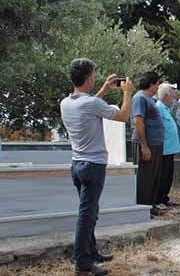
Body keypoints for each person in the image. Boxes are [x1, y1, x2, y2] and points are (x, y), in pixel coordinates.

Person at [60, 58, 133, 276]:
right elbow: (122, 115)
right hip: (93, 166)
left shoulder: (66, 102)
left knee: (91, 212)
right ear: (89, 78)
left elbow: (89, 106)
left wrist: (102, 90)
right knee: (87, 216)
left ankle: (90, 252)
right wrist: (127, 93)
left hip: (77, 165)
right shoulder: (91, 104)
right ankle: (83, 264)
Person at [131, 72, 164, 216]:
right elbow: (138, 122)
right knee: (145, 178)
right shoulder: (139, 98)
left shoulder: (149, 99)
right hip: (146, 144)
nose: (158, 87)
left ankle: (151, 205)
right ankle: (143, 209)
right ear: (152, 84)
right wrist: (144, 146)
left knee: (153, 177)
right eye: (157, 84)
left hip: (155, 143)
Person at [156, 83, 180, 208]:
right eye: (171, 95)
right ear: (165, 96)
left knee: (168, 175)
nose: (173, 97)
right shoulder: (158, 108)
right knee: (163, 175)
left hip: (170, 148)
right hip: (164, 148)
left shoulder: (165, 108)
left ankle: (165, 198)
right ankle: (159, 199)